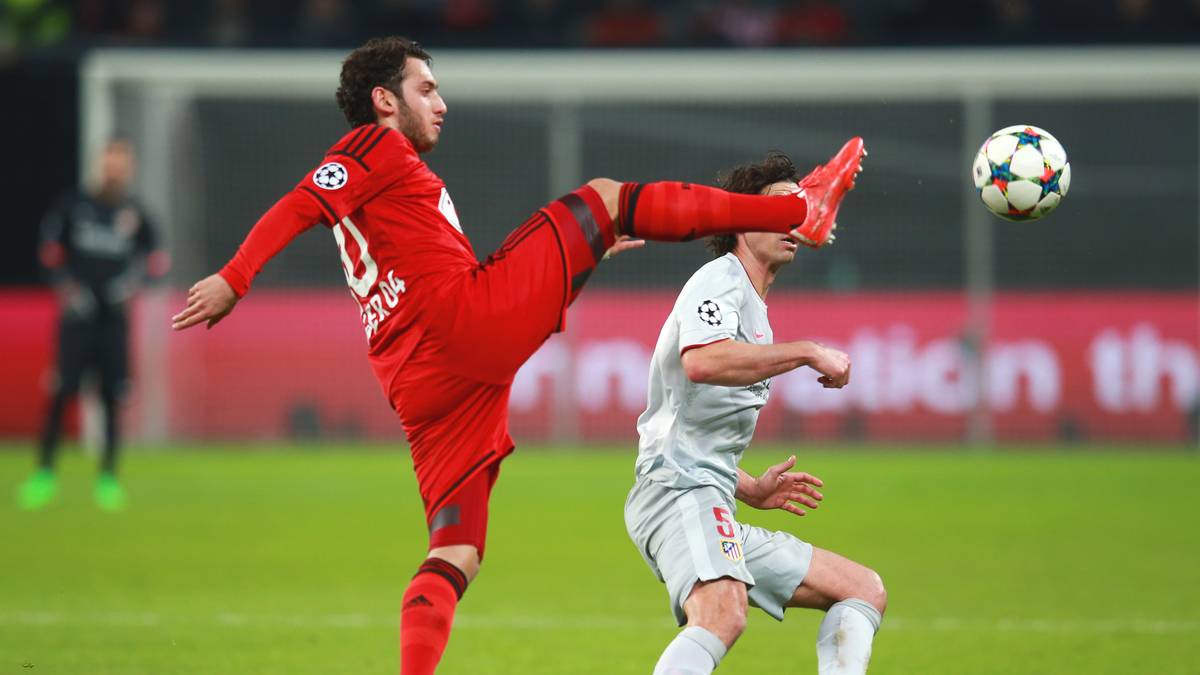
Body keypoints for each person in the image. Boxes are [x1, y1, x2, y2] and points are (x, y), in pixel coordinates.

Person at [170, 36, 864, 674]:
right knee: (608, 199)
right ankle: (797, 210)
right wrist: (235, 276)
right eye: (426, 89)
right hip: (454, 323)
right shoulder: (370, 148)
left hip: (419, 380)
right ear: (385, 100)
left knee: (455, 552)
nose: (441, 103)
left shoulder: (394, 183)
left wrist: (583, 258)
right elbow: (300, 202)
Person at [624, 152, 885, 675]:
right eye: (779, 208)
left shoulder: (752, 306)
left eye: (800, 207)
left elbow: (689, 434)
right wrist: (808, 350)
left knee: (861, 589)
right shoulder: (719, 277)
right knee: (722, 612)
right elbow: (701, 362)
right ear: (741, 221)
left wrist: (749, 488)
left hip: (708, 493)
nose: (795, 217)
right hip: (675, 494)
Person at [17, 139, 169, 512]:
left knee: (111, 397)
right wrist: (69, 289)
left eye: (122, 163)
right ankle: (45, 474)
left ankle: (108, 478)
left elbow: (156, 263)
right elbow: (50, 255)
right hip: (77, 320)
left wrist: (131, 287)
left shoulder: (137, 214)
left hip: (114, 322)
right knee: (61, 391)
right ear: (100, 165)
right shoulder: (73, 207)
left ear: (129, 168)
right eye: (110, 162)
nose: (115, 170)